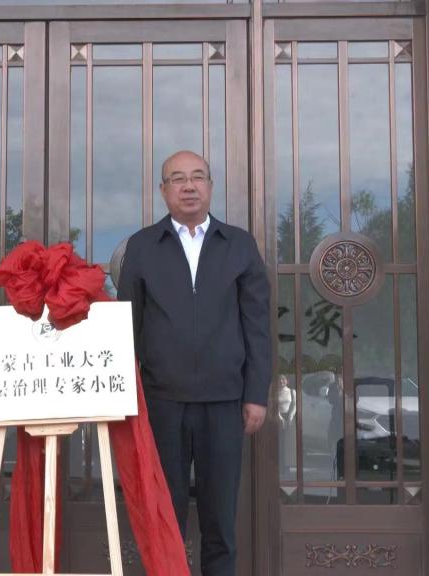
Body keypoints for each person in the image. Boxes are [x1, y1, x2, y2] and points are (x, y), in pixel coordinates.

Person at [117, 150, 271, 576]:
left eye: (198, 177)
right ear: (163, 190)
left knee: (219, 520)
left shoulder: (238, 245)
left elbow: (257, 326)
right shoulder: (143, 246)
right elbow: (127, 325)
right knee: (164, 517)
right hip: (161, 404)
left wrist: (256, 394)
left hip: (224, 403)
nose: (189, 186)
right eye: (178, 178)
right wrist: (125, 396)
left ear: (211, 187)